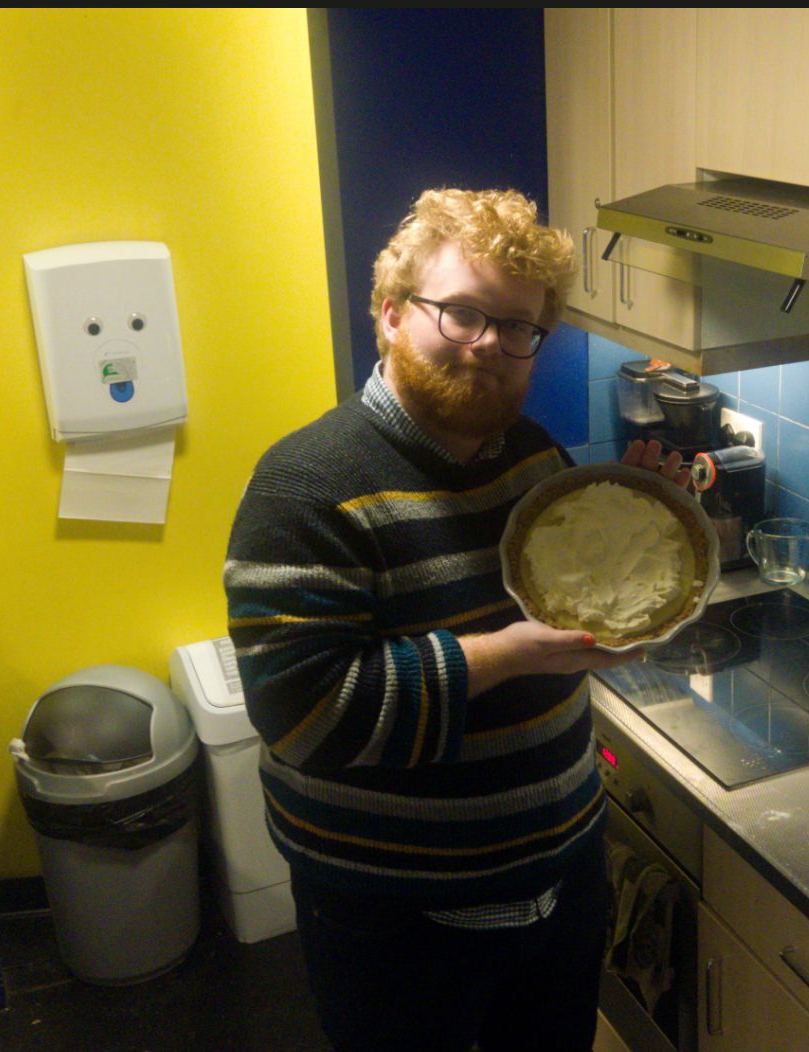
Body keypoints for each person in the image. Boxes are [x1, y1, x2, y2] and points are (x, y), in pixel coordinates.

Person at [224, 188, 689, 1052]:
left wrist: (623, 512)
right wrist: (505, 657)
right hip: (395, 917)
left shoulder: (534, 457)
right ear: (393, 313)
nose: (488, 348)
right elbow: (302, 716)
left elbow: (571, 609)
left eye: (518, 328)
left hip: (561, 881)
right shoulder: (305, 486)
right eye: (461, 312)